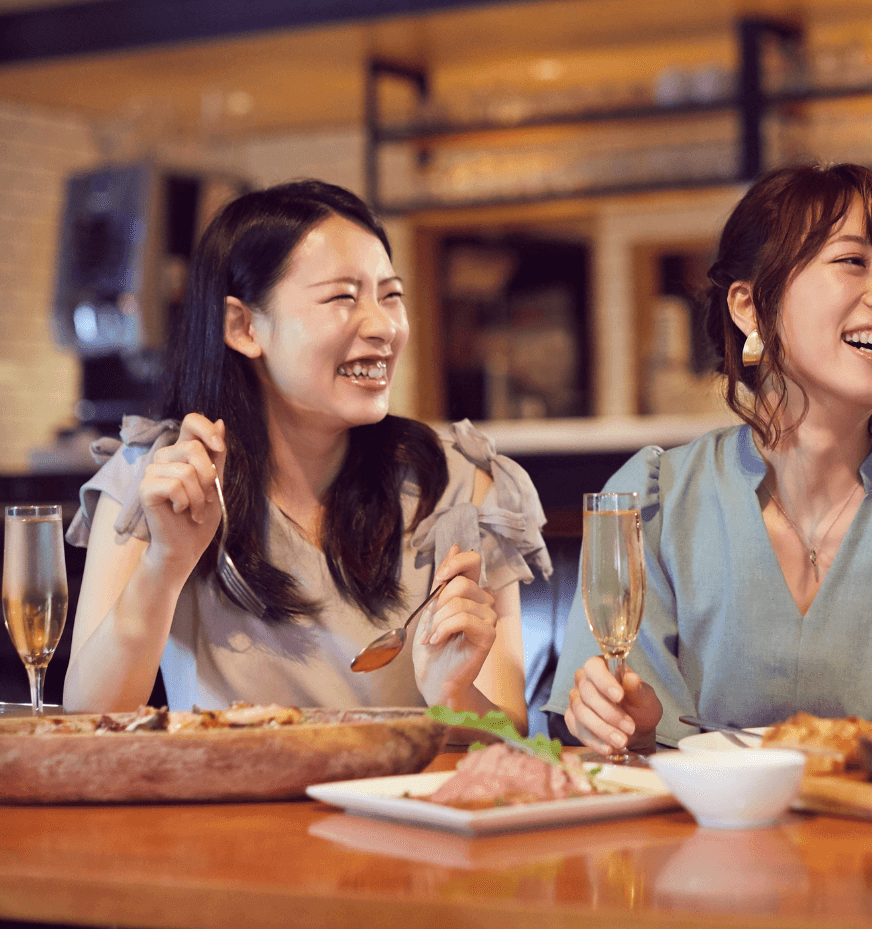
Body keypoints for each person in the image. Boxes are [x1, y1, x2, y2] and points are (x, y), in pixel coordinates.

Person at [548, 163, 872, 752]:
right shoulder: (654, 498)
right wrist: (625, 727)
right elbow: (627, 740)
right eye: (851, 261)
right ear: (749, 306)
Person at [64, 180, 549, 730]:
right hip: (224, 811)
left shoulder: (459, 486)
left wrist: (455, 695)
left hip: (396, 811)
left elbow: (511, 743)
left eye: (391, 295)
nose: (384, 326)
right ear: (244, 326)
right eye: (343, 297)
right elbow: (87, 724)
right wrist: (164, 567)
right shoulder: (159, 477)